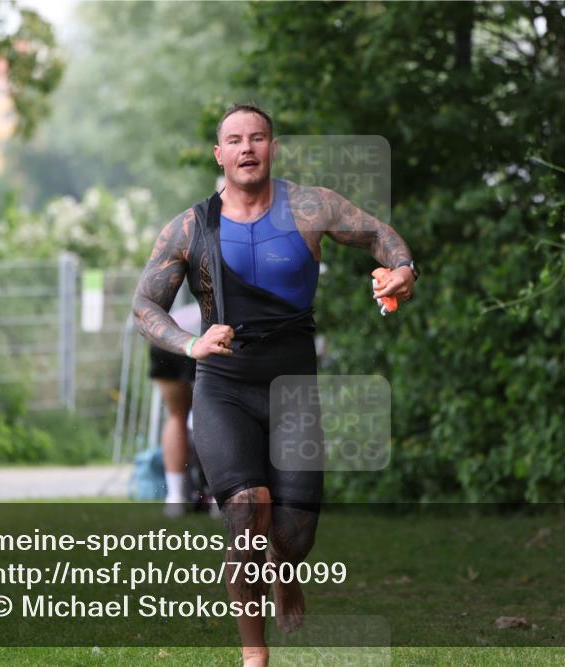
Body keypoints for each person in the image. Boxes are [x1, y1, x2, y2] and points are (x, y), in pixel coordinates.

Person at [132, 103, 418, 667]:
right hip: (224, 387)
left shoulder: (310, 207)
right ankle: (254, 655)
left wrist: (403, 270)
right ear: (220, 155)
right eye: (234, 140)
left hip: (293, 389)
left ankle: (285, 572)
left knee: (292, 537)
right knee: (246, 507)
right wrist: (190, 344)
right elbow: (144, 304)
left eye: (257, 138)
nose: (246, 148)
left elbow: (380, 235)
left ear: (272, 147)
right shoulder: (191, 227)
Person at [147, 302, 201, 518]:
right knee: (215, 415)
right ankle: (218, 499)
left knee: (176, 416)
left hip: (167, 336)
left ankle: (175, 497)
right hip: (205, 338)